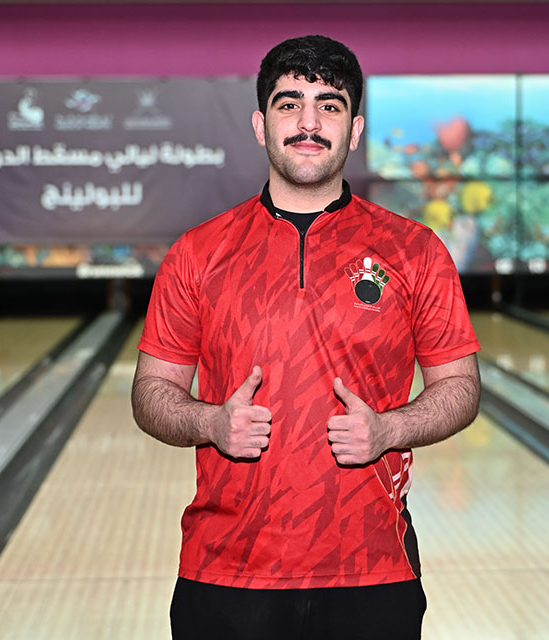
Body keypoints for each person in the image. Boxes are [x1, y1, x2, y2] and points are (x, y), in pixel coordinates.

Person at [131, 34, 481, 640]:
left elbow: (461, 387)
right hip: (225, 572)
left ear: (356, 129)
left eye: (330, 105)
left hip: (373, 571)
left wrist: (388, 430)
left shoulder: (416, 250)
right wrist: (212, 422)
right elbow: (149, 393)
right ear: (260, 125)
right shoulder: (197, 253)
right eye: (289, 104)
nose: (309, 123)